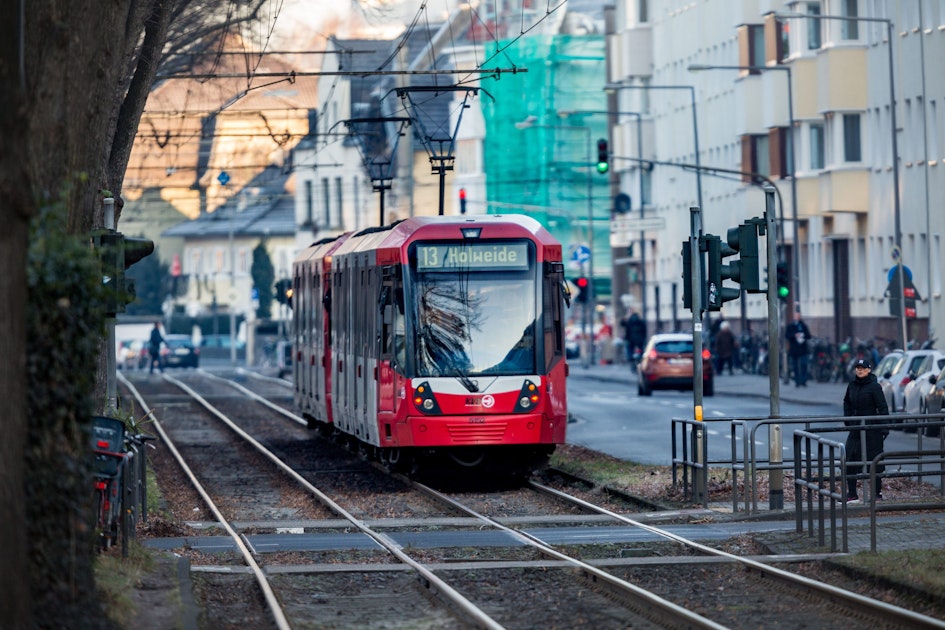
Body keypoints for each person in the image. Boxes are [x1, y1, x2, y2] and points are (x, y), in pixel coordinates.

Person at [842, 358, 890, 502]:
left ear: (869, 370)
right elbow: (847, 402)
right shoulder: (852, 385)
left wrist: (884, 427)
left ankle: (877, 494)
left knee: (875, 461)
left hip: (872, 429)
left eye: (862, 368)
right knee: (849, 459)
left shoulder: (874, 387)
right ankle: (852, 494)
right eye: (857, 368)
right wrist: (848, 419)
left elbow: (883, 407)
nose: (859, 370)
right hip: (856, 428)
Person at [785, 310, 812, 387]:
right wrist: (794, 335)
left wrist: (803, 335)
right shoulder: (790, 326)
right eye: (796, 316)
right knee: (795, 366)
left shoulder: (803, 326)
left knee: (804, 364)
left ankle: (803, 380)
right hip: (794, 349)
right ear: (794, 317)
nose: (797, 317)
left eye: (799, 316)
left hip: (803, 348)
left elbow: (808, 335)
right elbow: (787, 335)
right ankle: (797, 381)